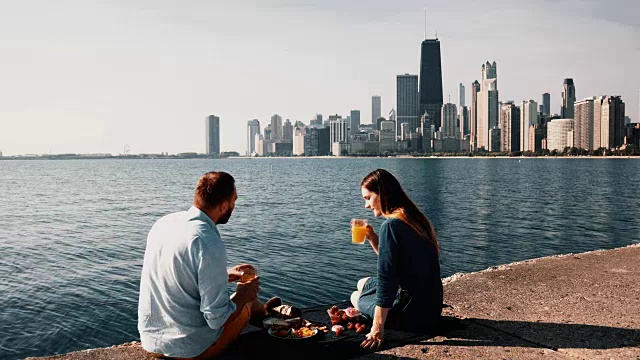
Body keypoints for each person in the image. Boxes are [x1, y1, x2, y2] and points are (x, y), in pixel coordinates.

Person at [138, 171, 273, 359]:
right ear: (224, 205)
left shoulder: (164, 223)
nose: (234, 206)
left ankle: (265, 309)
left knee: (240, 297)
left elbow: (178, 274)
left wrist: (222, 274)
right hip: (190, 349)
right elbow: (216, 319)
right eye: (234, 201)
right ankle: (264, 312)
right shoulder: (207, 240)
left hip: (151, 342)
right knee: (246, 303)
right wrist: (243, 296)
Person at [350, 169, 443, 349]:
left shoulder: (391, 225)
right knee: (362, 283)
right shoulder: (414, 218)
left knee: (355, 297)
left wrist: (377, 327)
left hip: (412, 315)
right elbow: (394, 263)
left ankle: (378, 312)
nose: (366, 206)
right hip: (431, 307)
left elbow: (387, 280)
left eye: (368, 198)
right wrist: (372, 237)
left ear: (382, 194)